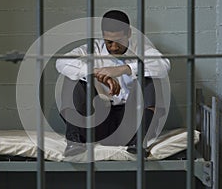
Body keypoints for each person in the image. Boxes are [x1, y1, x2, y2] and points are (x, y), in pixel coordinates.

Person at [56, 10, 170, 157]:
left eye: (119, 42)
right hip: (97, 124)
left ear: (128, 33)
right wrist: (96, 72)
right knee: (72, 77)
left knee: (149, 76)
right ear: (103, 35)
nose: (114, 47)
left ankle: (139, 142)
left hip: (131, 127)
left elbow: (163, 65)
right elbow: (61, 62)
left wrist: (123, 69)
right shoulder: (93, 49)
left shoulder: (141, 49)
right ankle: (74, 141)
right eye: (109, 42)